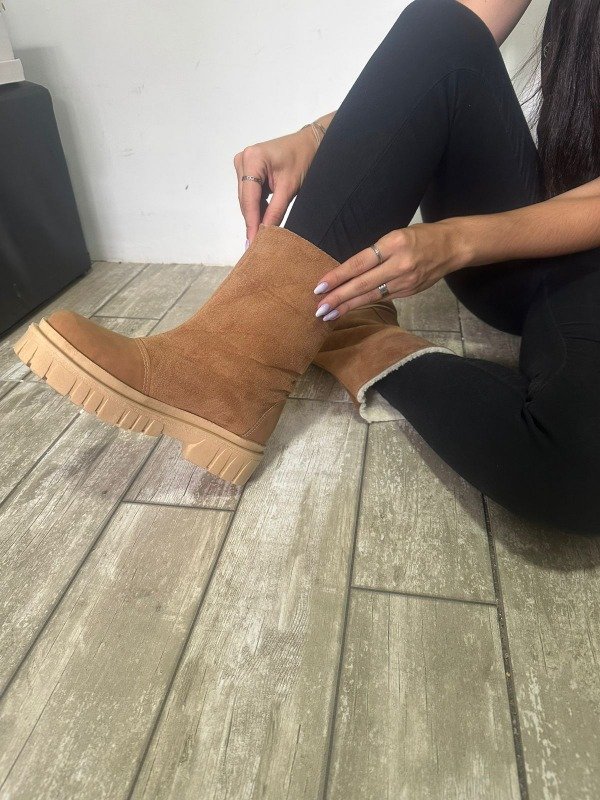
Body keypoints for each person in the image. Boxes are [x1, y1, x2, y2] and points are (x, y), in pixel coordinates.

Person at [14, 0, 600, 535]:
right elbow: (443, 50)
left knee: (572, 473)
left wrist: (465, 239)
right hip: (528, 251)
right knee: (443, 22)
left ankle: (357, 336)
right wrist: (314, 136)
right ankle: (234, 362)